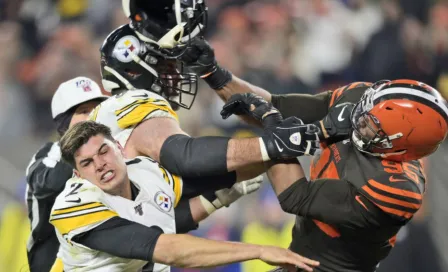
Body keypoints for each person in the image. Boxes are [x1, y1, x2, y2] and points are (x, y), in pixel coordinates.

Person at [219, 79, 448, 272]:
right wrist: (214, 73)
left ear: (400, 145)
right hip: (296, 260)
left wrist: (274, 122)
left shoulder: (397, 188)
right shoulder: (362, 101)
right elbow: (278, 104)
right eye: (366, 109)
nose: (359, 118)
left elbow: (295, 195)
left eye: (372, 124)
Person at [93, 24, 319, 215]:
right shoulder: (136, 104)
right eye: (166, 66)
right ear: (135, 72)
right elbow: (185, 156)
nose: (177, 75)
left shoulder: (116, 114)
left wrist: (216, 195)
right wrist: (270, 145)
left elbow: (159, 223)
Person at [51, 120, 320, 272]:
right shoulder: (76, 207)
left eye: (104, 152)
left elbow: (215, 176)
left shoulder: (145, 172)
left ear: (120, 148)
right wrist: (260, 251)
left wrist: (277, 149)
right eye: (86, 163)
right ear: (77, 176)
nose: (100, 164)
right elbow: (168, 249)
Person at [25, 77, 108, 272]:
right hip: (52, 263)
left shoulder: (112, 153)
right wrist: (79, 148)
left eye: (96, 109)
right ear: (64, 121)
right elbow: (49, 186)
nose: (93, 116)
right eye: (83, 111)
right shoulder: (48, 155)